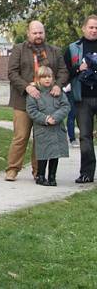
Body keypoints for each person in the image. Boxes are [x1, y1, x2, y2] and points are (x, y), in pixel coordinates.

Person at [4, 20, 68, 181]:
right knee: (21, 136)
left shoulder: (54, 51)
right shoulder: (19, 49)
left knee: (41, 138)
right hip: (23, 101)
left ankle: (38, 171)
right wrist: (27, 87)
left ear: (44, 33)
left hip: (47, 103)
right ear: (28, 33)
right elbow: (12, 73)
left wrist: (58, 85)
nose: (38, 36)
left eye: (40, 32)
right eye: (35, 33)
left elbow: (63, 71)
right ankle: (12, 169)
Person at [64, 14, 97, 183]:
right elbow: (65, 72)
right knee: (85, 136)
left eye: (96, 28)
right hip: (82, 98)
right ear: (84, 28)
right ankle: (87, 173)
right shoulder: (73, 48)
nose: (94, 30)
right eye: (91, 27)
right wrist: (78, 68)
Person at [25, 65, 70, 186]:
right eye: (43, 77)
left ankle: (52, 177)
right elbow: (32, 110)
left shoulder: (57, 92)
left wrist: (55, 117)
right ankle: (40, 176)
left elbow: (66, 106)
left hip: (57, 128)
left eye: (49, 77)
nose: (47, 79)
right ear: (38, 79)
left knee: (55, 153)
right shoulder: (34, 94)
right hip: (42, 128)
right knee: (43, 152)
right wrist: (45, 119)